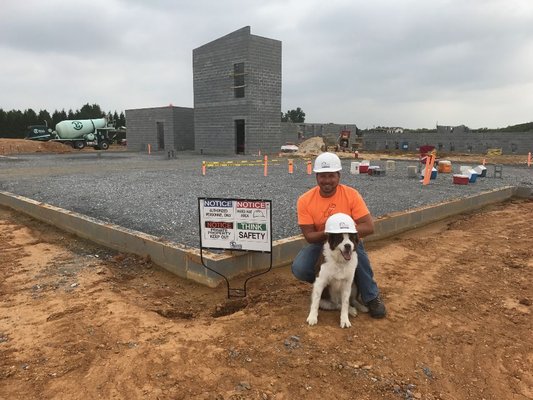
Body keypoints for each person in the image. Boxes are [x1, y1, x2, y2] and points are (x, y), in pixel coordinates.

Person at [292, 152, 387, 318]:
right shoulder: (305, 200)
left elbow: (369, 227)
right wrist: (331, 233)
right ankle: (327, 286)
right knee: (300, 267)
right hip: (323, 243)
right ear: (316, 176)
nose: (327, 180)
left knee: (359, 259)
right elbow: (309, 236)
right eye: (322, 176)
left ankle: (371, 296)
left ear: (339, 176)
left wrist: (345, 235)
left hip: (348, 240)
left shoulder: (351, 195)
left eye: (331, 176)